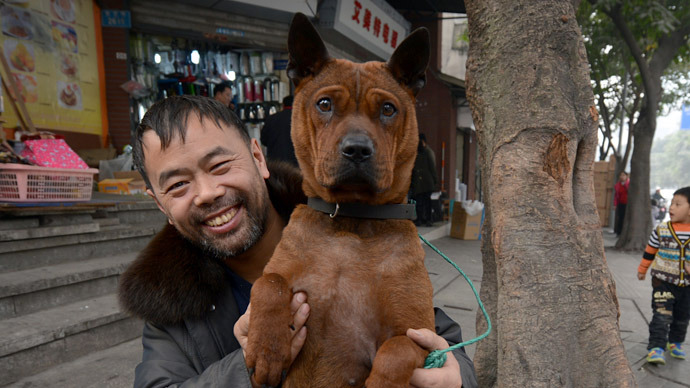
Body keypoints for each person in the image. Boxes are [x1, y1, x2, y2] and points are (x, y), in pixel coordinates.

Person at [120, 95, 478, 387]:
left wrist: (457, 374)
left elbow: (439, 336)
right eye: (178, 185)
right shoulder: (169, 307)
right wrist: (249, 367)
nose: (207, 193)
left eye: (220, 166)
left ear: (258, 158)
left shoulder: (355, 229)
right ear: (161, 205)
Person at [637, 186, 690, 365]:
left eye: (678, 204)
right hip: (663, 282)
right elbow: (650, 251)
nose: (671, 208)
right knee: (661, 314)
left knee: (682, 317)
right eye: (671, 203)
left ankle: (675, 343)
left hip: (687, 286)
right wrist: (642, 269)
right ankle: (656, 347)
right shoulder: (662, 229)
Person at [260, 95, 298, 167]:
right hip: (295, 165)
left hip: (275, 163)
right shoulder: (300, 120)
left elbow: (263, 140)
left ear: (283, 105)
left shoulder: (271, 119)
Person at [410, 133, 439, 227]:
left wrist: (435, 181)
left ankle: (428, 219)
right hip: (418, 183)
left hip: (427, 183)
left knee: (427, 203)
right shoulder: (417, 152)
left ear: (423, 141)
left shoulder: (428, 152)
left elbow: (432, 168)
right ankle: (419, 219)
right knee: (419, 203)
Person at [614, 171, 629, 235]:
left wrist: (625, 185)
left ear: (626, 176)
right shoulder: (618, 185)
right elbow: (616, 196)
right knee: (620, 217)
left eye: (623, 175)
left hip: (627, 204)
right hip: (621, 203)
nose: (622, 177)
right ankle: (619, 232)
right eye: (621, 175)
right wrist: (615, 204)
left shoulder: (629, 183)